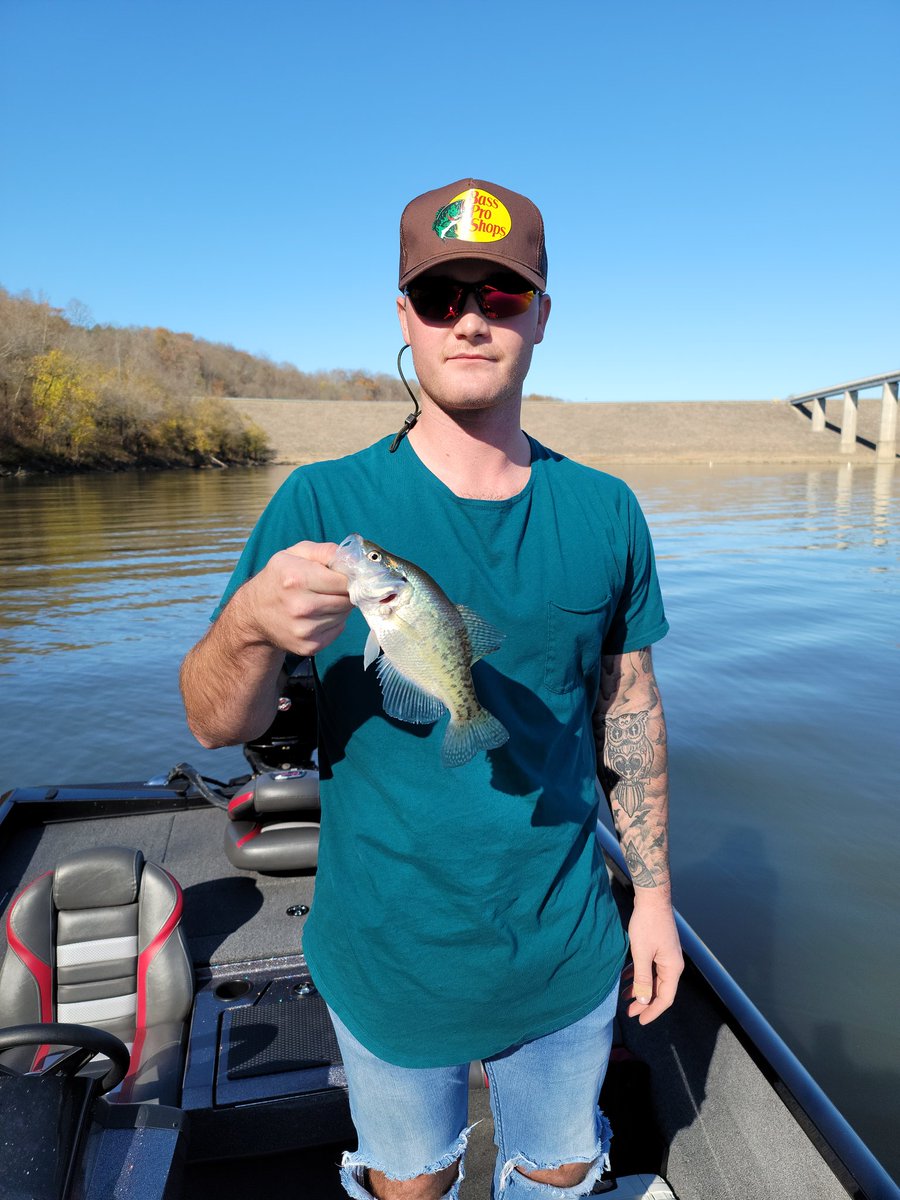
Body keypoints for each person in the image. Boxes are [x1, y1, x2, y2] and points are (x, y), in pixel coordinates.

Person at [180, 177, 684, 1200]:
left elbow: (630, 706)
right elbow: (211, 719)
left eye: (499, 297)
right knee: (409, 1181)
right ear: (404, 316)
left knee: (561, 1172)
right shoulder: (320, 503)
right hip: (386, 951)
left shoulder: (606, 510)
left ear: (540, 315)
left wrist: (657, 897)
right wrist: (246, 628)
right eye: (441, 294)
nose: (470, 319)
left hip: (564, 943)